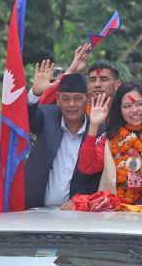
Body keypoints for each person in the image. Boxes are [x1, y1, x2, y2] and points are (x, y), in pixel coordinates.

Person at [78, 81, 142, 205]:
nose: (134, 110)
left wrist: (136, 155)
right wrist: (94, 125)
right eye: (127, 106)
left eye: (140, 104)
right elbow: (87, 168)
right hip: (112, 211)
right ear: (120, 110)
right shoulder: (109, 138)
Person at [25, 63, 103, 207]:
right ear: (58, 99)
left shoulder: (99, 129)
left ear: (88, 99)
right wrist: (35, 93)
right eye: (65, 99)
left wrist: (79, 201)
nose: (71, 104)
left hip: (79, 215)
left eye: (77, 98)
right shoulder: (47, 116)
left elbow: (98, 177)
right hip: (36, 211)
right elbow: (26, 119)